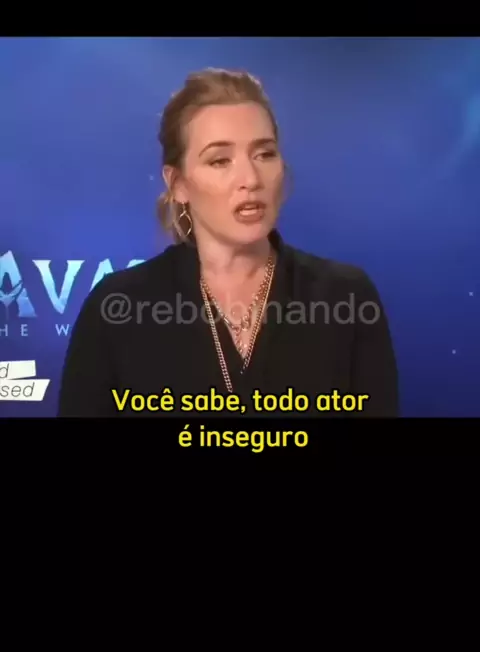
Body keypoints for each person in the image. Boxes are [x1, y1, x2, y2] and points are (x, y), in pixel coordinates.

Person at [58, 68, 399, 418]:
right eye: (220, 161)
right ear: (178, 184)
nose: (250, 179)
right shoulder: (116, 308)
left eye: (264, 154)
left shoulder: (346, 296)